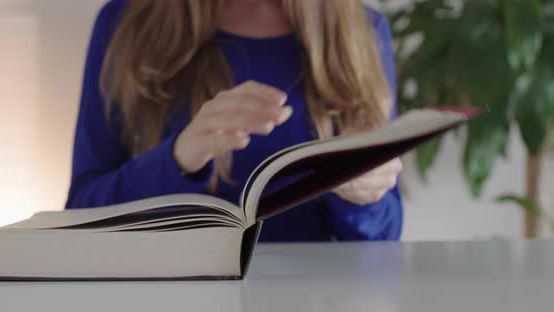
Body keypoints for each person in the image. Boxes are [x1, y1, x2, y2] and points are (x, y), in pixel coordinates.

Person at [65, 0, 404, 242]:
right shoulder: (125, 23)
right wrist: (177, 160)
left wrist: (362, 196)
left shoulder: (362, 30)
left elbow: (385, 236)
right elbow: (81, 213)